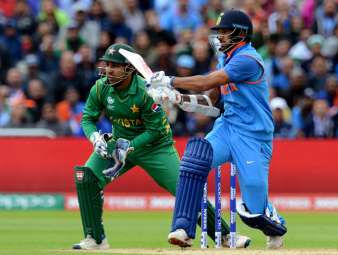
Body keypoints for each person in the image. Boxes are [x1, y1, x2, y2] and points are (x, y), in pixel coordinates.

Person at [72, 43, 250, 250]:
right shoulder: (100, 88)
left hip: (155, 147)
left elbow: (155, 131)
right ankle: (95, 238)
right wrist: (95, 137)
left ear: (129, 68)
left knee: (186, 189)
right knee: (86, 177)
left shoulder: (145, 91)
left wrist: (128, 145)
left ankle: (226, 236)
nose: (109, 70)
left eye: (115, 66)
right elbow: (87, 118)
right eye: (107, 65)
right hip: (118, 143)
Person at [148, 10, 287, 249]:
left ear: (240, 34)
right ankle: (182, 228)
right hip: (227, 127)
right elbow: (210, 102)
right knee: (193, 161)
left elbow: (206, 81)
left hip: (254, 136)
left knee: (253, 213)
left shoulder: (248, 59)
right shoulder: (226, 58)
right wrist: (176, 98)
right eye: (219, 31)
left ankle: (274, 222)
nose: (219, 36)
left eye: (224, 31)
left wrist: (170, 81)